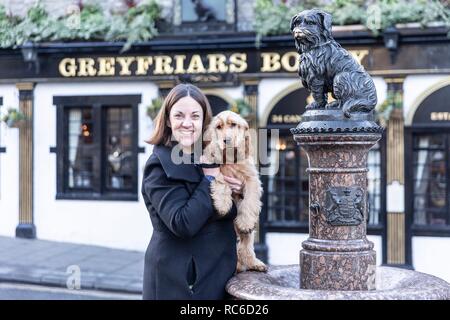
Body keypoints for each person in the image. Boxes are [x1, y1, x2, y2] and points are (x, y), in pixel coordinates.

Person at [141, 83, 244, 300]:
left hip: (216, 276)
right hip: (181, 282)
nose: (187, 123)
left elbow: (227, 214)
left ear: (204, 121)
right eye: (179, 115)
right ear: (168, 120)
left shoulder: (208, 158)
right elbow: (182, 223)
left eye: (195, 116)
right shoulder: (158, 166)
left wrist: (239, 192)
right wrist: (209, 179)